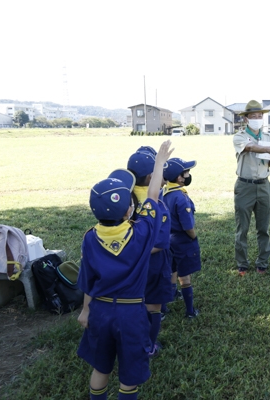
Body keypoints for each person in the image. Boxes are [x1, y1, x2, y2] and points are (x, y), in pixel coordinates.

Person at [77, 140, 173, 400]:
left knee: (100, 367)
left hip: (99, 310)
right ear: (130, 210)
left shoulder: (89, 238)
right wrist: (160, 163)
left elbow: (88, 279)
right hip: (131, 313)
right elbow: (152, 198)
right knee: (129, 375)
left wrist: (85, 310)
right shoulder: (141, 233)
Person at [127, 147, 173, 356]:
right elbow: (161, 242)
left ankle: (134, 339)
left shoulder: (127, 201)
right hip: (154, 263)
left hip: (132, 264)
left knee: (137, 302)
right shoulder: (153, 204)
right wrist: (160, 162)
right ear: (151, 177)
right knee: (154, 307)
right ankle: (149, 346)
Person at [233, 100, 270, 276]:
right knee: (242, 228)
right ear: (246, 119)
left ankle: (262, 262)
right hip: (244, 186)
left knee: (264, 228)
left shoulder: (268, 138)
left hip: (263, 186)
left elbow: (265, 163)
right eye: (253, 116)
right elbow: (250, 147)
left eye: (260, 116)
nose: (257, 119)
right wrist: (266, 149)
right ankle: (242, 264)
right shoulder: (239, 136)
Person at [162, 157, 200, 319]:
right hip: (182, 241)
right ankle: (190, 311)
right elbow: (188, 226)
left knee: (170, 271)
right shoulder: (181, 197)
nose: (188, 174)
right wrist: (194, 237)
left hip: (167, 240)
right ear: (179, 178)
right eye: (186, 172)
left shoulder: (164, 193)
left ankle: (164, 308)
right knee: (185, 277)